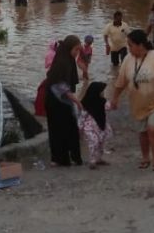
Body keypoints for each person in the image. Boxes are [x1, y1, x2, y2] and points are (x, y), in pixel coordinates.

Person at [111, 30, 154, 172]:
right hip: (138, 103)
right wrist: (115, 98)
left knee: (153, 129)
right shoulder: (128, 59)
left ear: (140, 45)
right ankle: (145, 157)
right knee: (142, 132)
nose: (128, 48)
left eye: (130, 45)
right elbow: (121, 82)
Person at [45, 35, 84, 166]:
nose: (77, 53)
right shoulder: (62, 62)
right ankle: (59, 158)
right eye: (76, 50)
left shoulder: (68, 60)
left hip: (63, 101)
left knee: (70, 128)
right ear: (69, 48)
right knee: (58, 129)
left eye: (78, 50)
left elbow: (68, 85)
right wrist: (77, 101)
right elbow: (62, 87)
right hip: (55, 102)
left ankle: (73, 157)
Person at [78, 82, 113, 170]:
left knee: (101, 143)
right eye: (101, 91)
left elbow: (109, 107)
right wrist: (79, 128)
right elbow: (82, 116)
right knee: (94, 142)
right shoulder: (86, 103)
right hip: (90, 127)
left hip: (101, 126)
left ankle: (99, 159)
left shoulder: (103, 101)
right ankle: (92, 161)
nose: (103, 93)